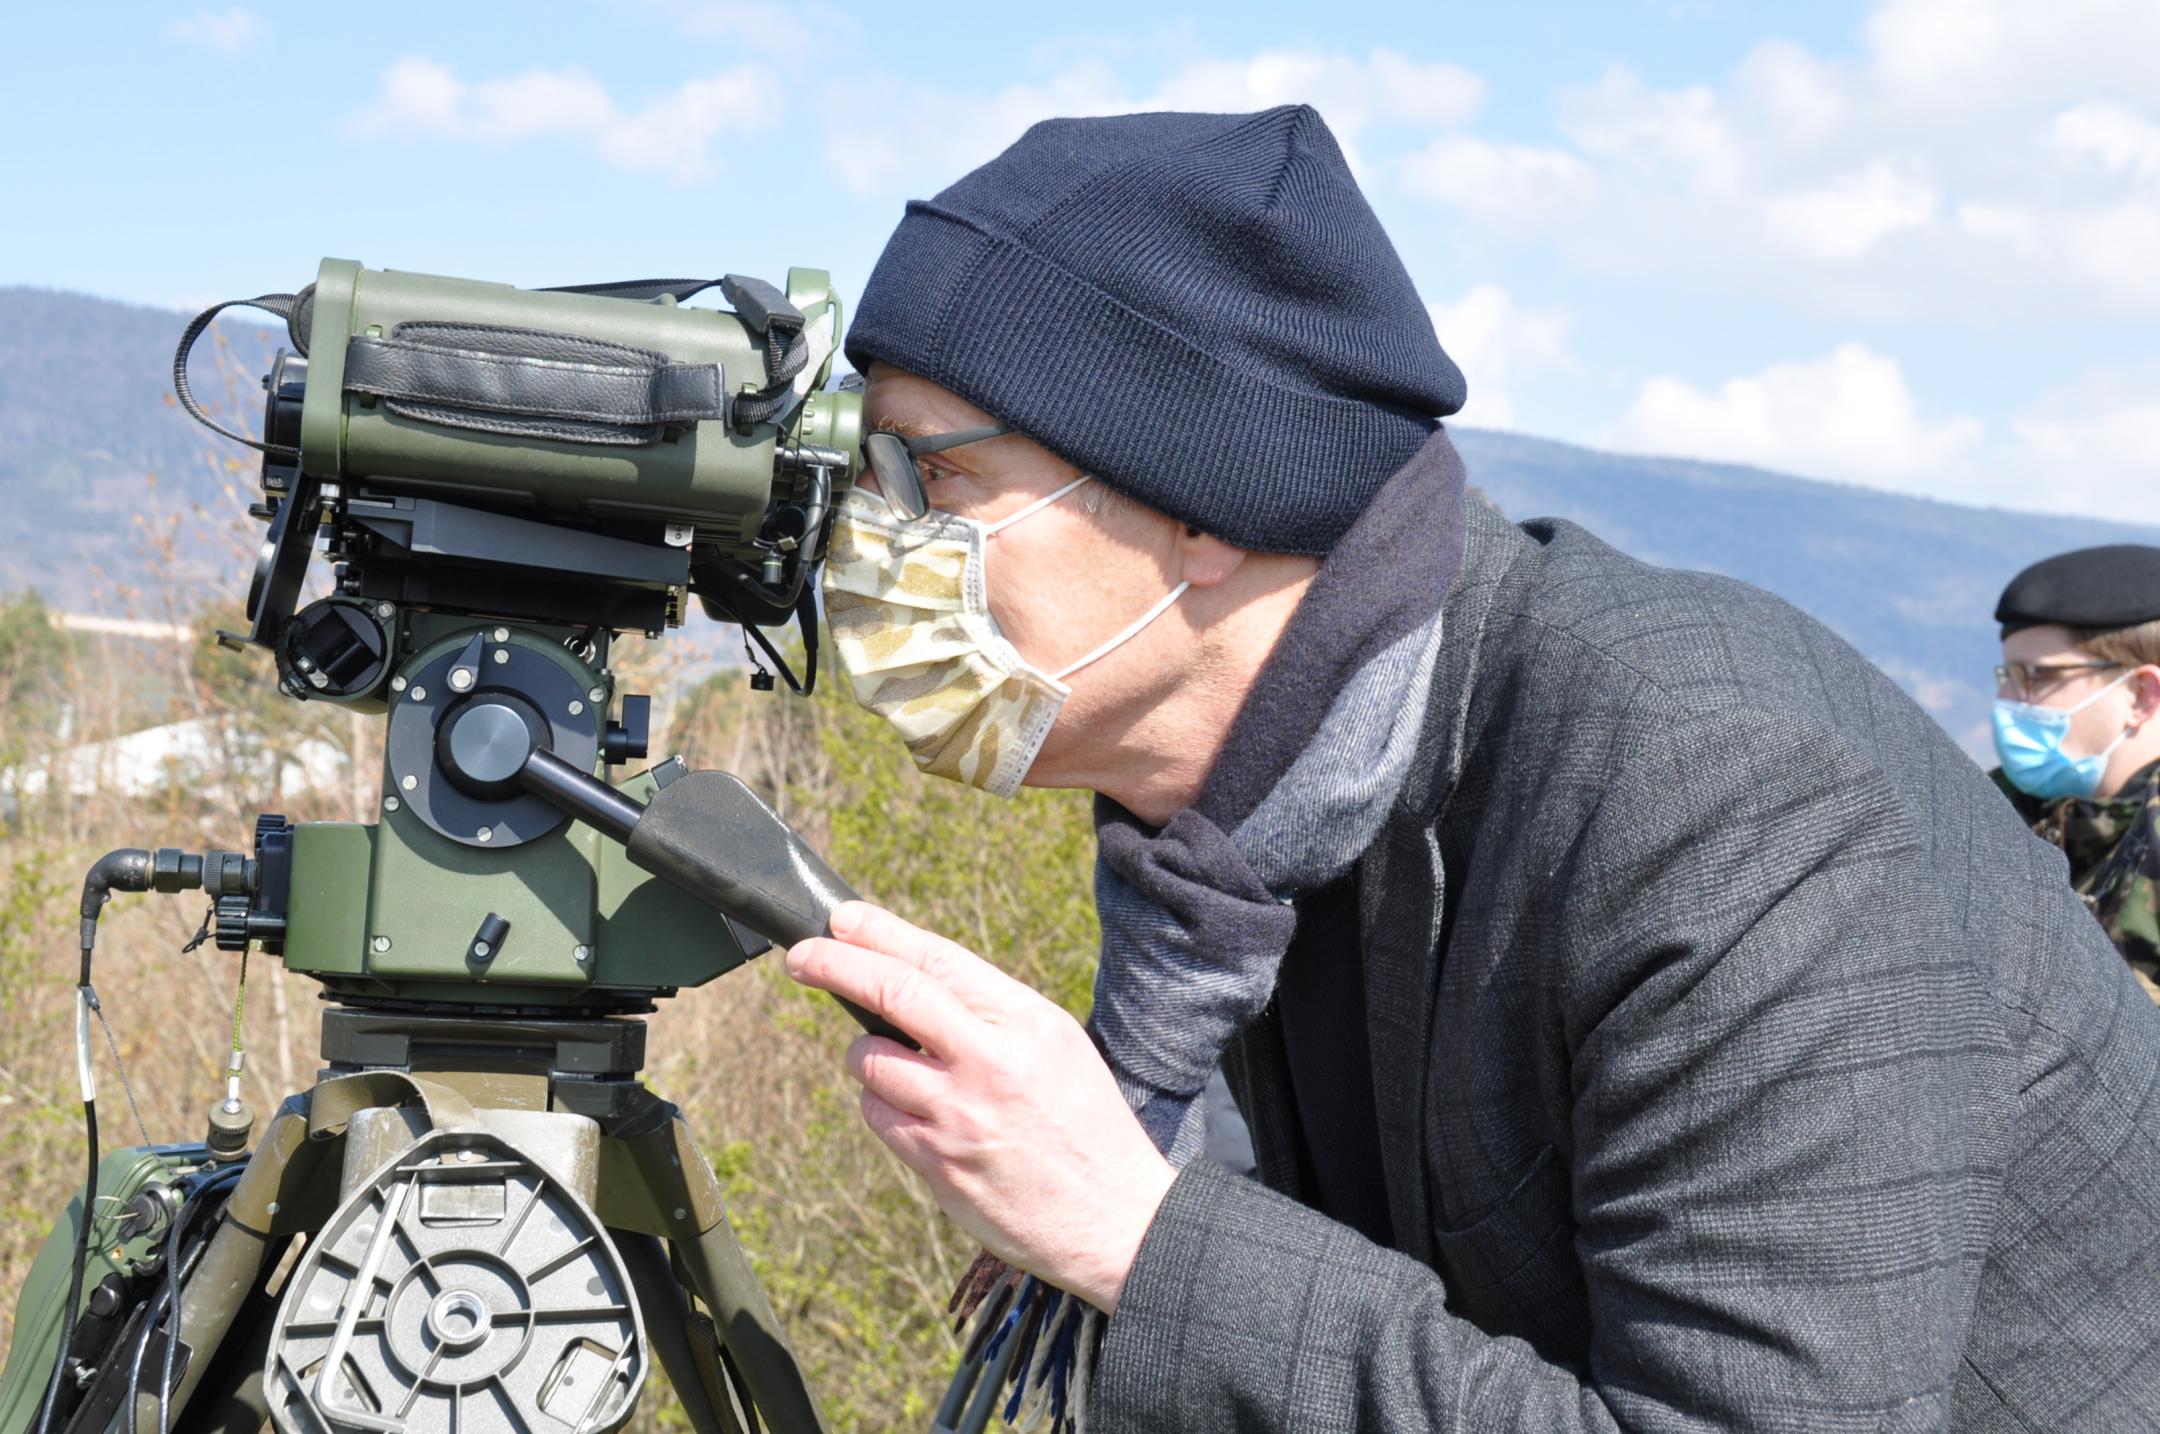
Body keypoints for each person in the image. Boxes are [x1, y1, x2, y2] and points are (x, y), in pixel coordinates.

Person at [782, 106, 2160, 1431]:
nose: (871, 536)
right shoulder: (1231, 862)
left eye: (929, 472)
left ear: (1195, 497)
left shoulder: (1717, 789)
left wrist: (1137, 1233)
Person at [1990, 544, 2160, 1002]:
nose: (2008, 698)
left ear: (2141, 694)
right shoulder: (1988, 812)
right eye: (2007, 674)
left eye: (2037, 677)